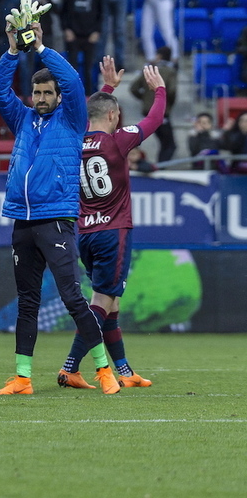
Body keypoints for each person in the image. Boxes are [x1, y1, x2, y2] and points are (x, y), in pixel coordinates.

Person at [0, 20, 120, 395]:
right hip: (23, 220)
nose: (41, 98)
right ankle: (23, 378)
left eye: (47, 92)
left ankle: (103, 370)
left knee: (72, 298)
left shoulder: (72, 118)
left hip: (56, 219)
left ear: (58, 96)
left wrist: (42, 48)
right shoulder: (24, 118)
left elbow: (75, 82)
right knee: (27, 303)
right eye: (36, 92)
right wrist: (13, 50)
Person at [56, 57, 163, 390]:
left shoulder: (75, 140)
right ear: (115, 116)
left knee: (111, 301)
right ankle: (70, 366)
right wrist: (159, 89)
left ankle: (125, 371)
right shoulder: (119, 140)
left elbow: (95, 111)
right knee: (102, 302)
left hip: (85, 233)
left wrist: (108, 88)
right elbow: (155, 119)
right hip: (113, 231)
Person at [17, 0, 59, 98]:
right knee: (26, 66)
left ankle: (48, 94)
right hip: (28, 31)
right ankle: (27, 95)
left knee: (47, 65)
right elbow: (22, 10)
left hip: (46, 30)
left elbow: (57, 9)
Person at [61, 0, 102, 95]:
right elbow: (64, 11)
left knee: (89, 69)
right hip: (73, 34)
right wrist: (66, 29)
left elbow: (101, 13)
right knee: (72, 69)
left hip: (90, 35)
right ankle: (73, 95)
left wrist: (97, 31)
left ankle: (90, 96)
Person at [130, 46, 176, 162]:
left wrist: (145, 99)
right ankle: (162, 168)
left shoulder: (149, 70)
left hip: (147, 112)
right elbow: (172, 91)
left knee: (160, 141)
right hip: (162, 113)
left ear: (159, 56)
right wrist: (167, 104)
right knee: (169, 145)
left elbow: (134, 88)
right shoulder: (169, 71)